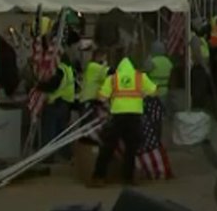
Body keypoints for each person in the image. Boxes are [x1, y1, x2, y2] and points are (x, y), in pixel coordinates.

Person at [90, 54, 157, 187]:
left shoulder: (113, 79)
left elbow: (102, 97)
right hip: (134, 116)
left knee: (108, 146)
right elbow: (154, 91)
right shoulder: (140, 77)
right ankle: (128, 178)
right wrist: (143, 94)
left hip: (118, 115)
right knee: (131, 148)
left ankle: (98, 177)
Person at [41, 55, 77, 161]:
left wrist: (40, 86)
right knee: (62, 131)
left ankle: (48, 157)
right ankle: (67, 154)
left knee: (49, 131)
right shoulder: (69, 70)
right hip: (65, 104)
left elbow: (53, 86)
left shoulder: (60, 70)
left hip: (55, 103)